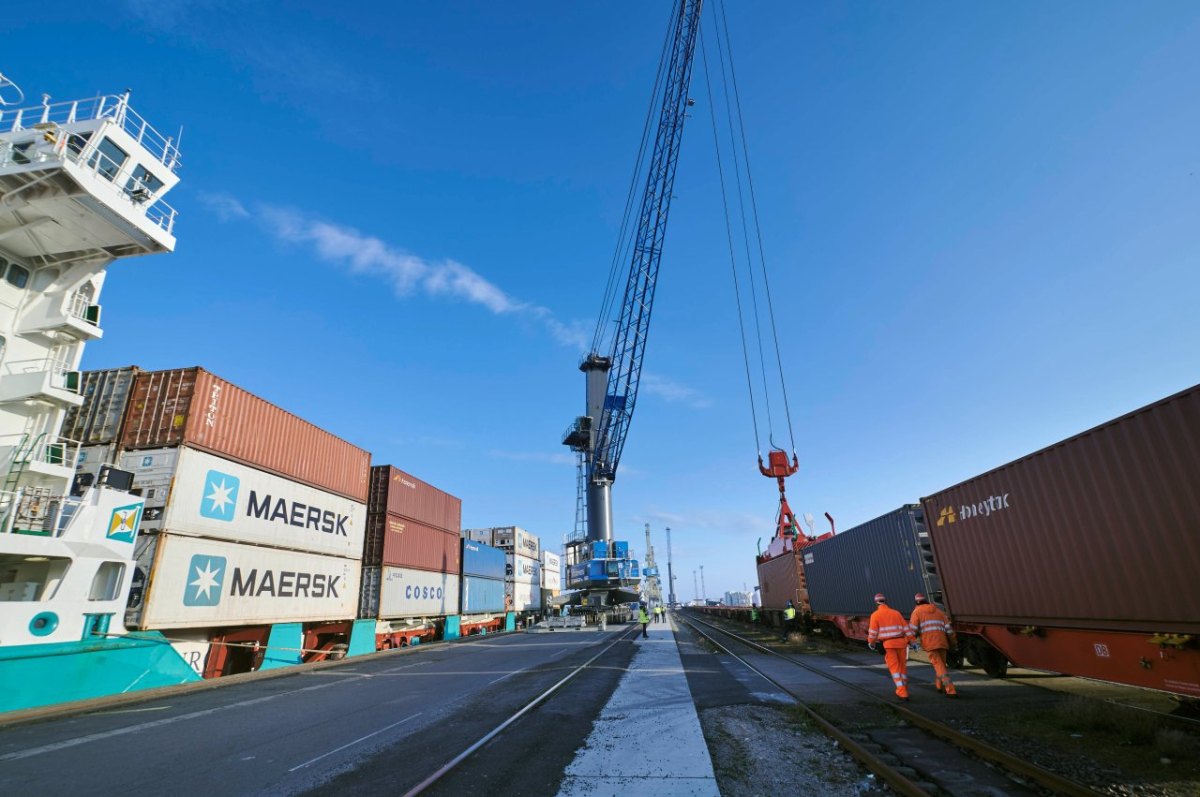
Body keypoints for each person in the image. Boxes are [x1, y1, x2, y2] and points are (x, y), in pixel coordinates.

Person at [868, 592, 917, 701]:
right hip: (901, 643)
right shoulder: (896, 613)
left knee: (894, 669)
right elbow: (906, 629)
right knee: (902, 667)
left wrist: (871, 642)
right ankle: (904, 688)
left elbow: (872, 632)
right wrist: (913, 642)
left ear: (876, 603)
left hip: (889, 645)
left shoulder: (875, 615)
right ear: (886, 601)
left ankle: (902, 692)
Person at [909, 593, 958, 697]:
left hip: (930, 643)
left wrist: (911, 642)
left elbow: (912, 631)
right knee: (941, 666)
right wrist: (953, 642)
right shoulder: (939, 612)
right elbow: (949, 630)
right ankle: (939, 686)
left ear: (916, 602)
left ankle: (951, 690)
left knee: (940, 667)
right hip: (942, 642)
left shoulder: (916, 612)